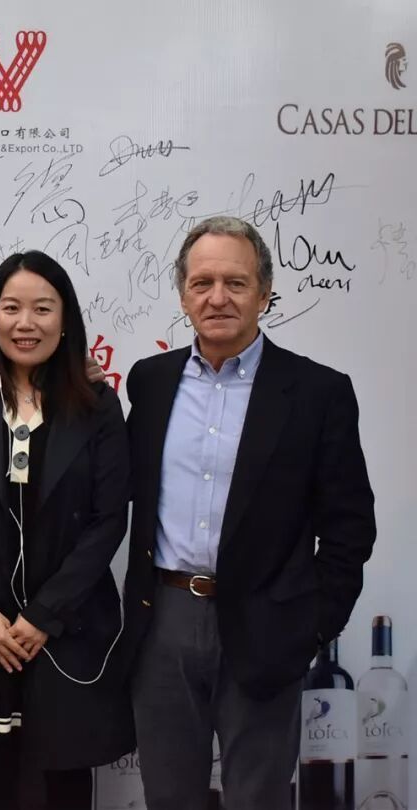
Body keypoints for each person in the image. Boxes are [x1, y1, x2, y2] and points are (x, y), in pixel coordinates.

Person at [121, 216, 377, 809]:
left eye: (235, 283)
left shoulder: (318, 393)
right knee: (168, 798)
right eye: (202, 282)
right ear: (183, 295)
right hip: (163, 622)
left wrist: (313, 628)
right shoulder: (150, 382)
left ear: (264, 294)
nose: (218, 298)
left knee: (258, 798)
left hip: (267, 626)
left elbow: (349, 528)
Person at [0, 251, 133, 810]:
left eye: (42, 308)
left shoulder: (97, 405)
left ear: (65, 321)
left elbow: (108, 519)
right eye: (11, 307)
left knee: (66, 784)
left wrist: (44, 615)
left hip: (67, 628)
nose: (26, 323)